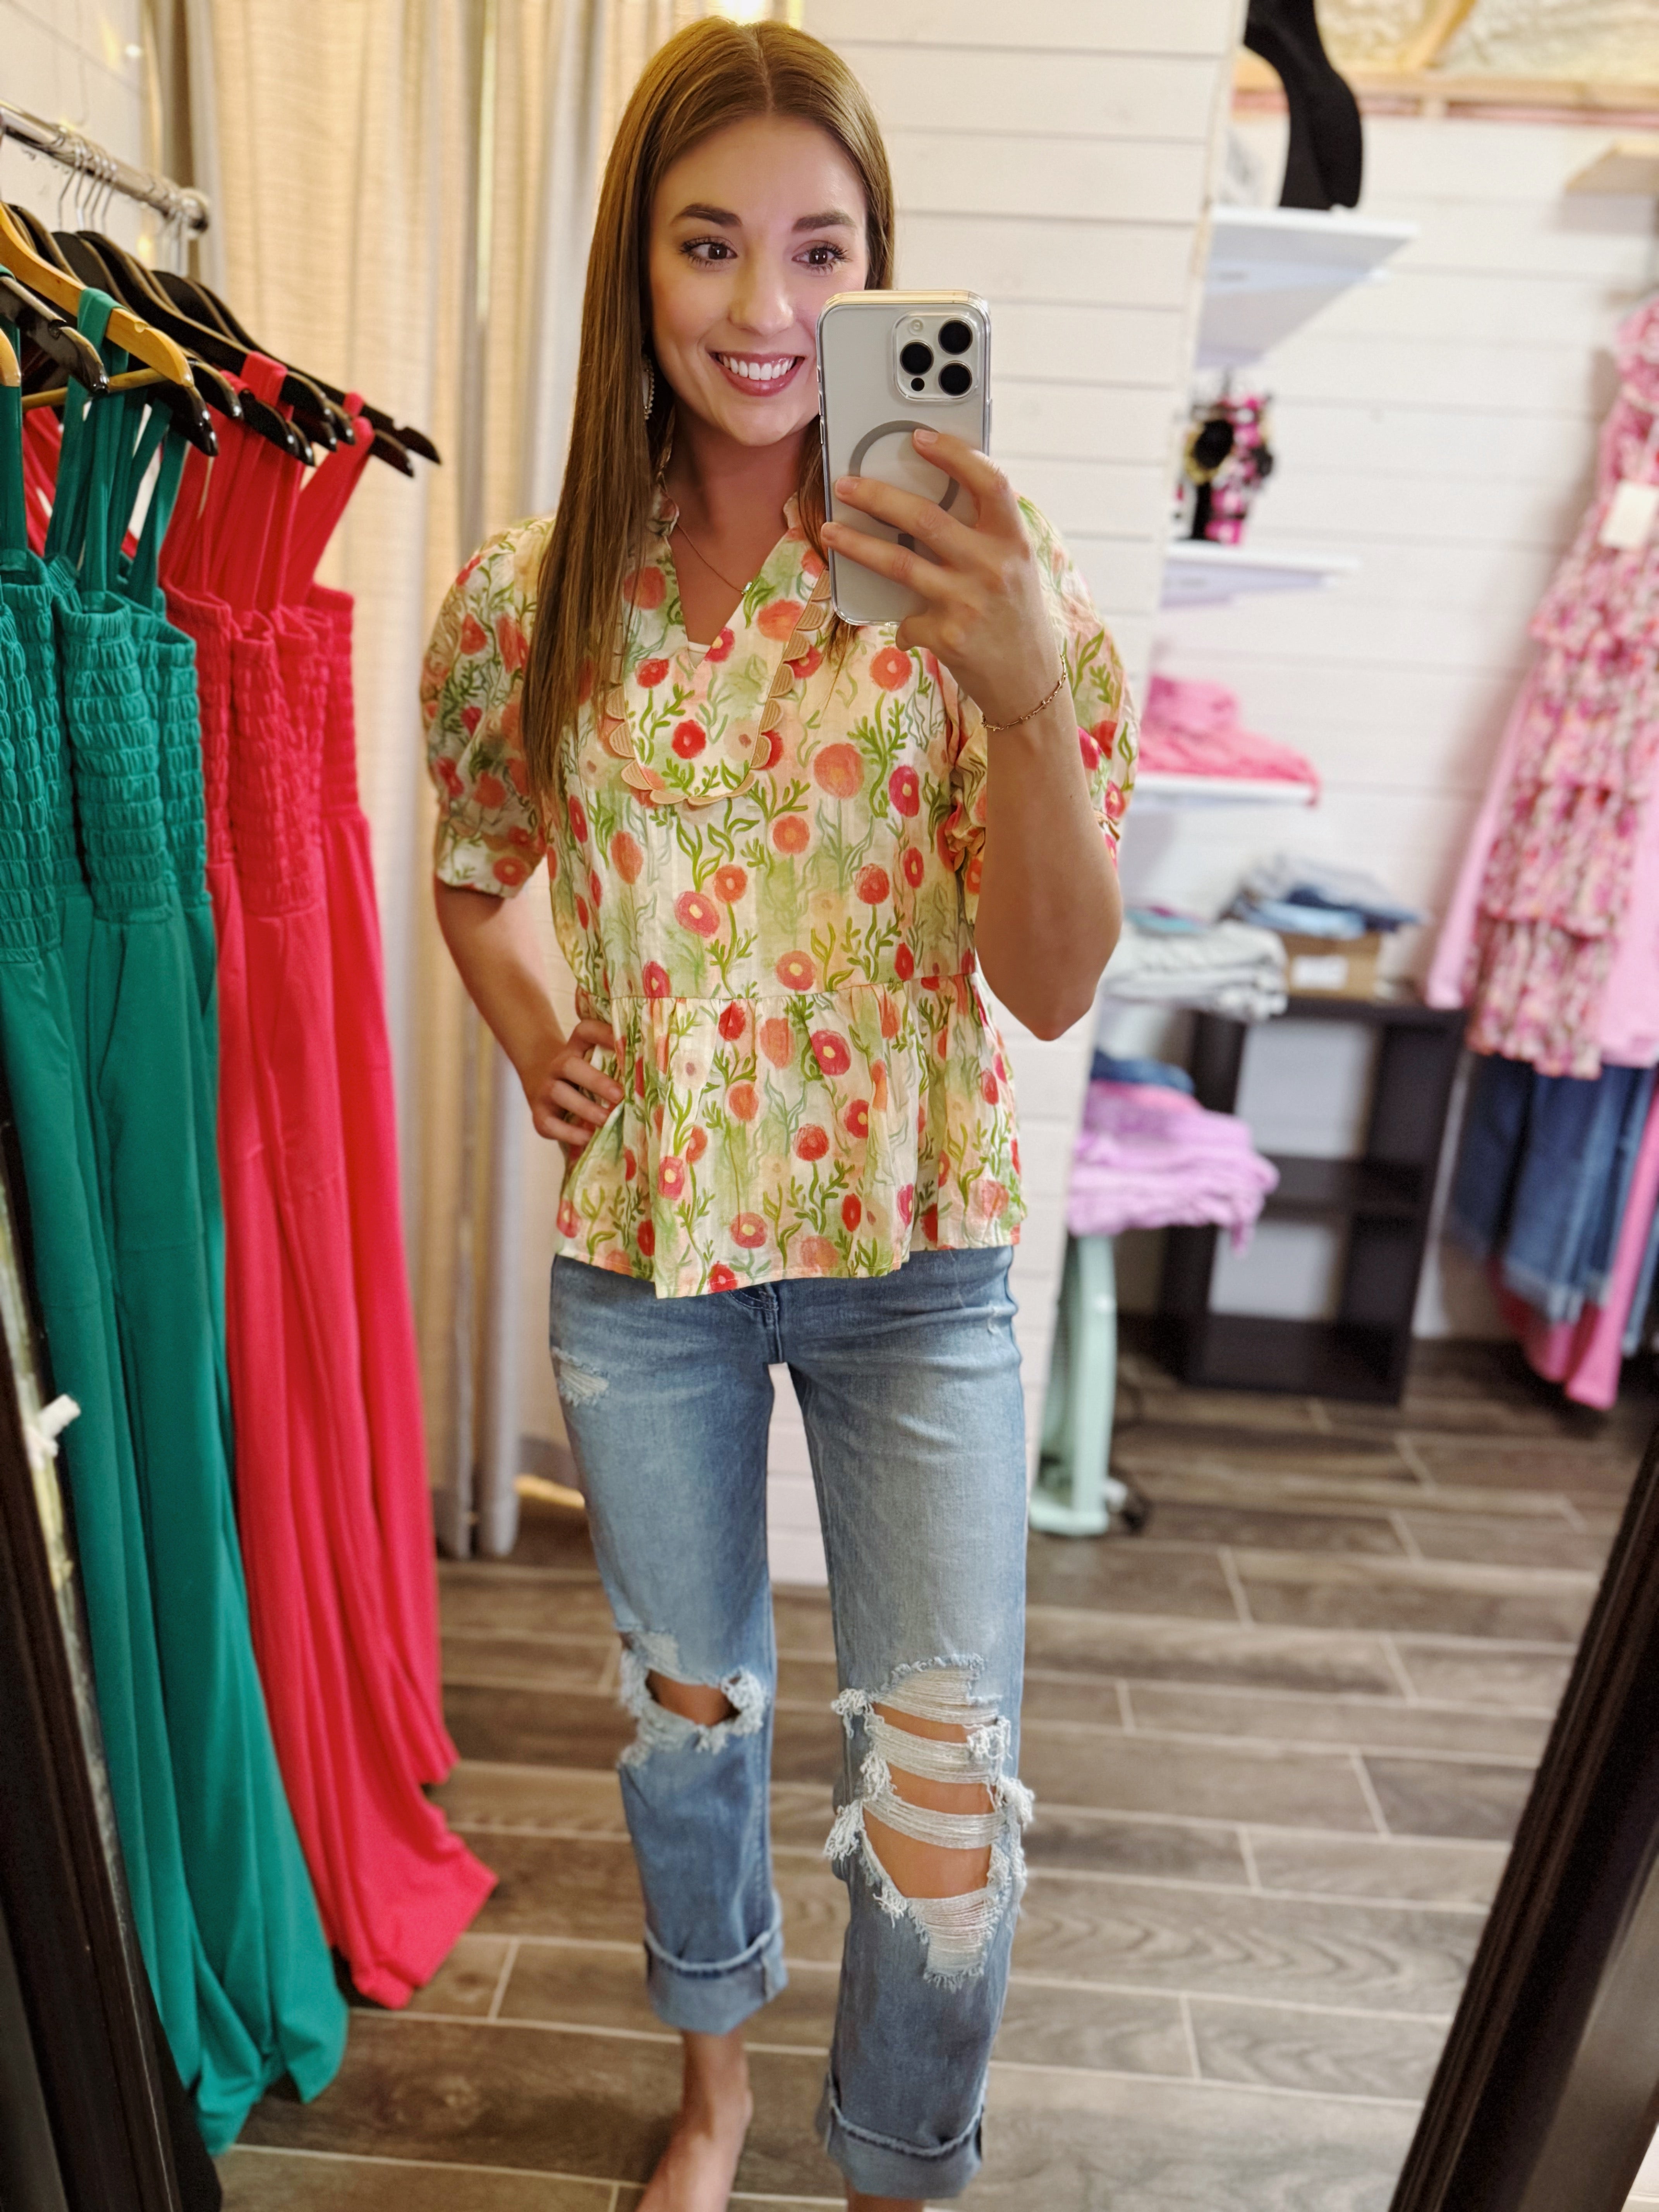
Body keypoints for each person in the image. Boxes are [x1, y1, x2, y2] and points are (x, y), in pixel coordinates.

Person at [421, 19, 1135, 2208]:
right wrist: (531, 1028)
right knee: (686, 1726)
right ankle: (714, 2096)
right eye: (709, 242)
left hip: (914, 1260)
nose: (764, 307)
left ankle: (897, 2165)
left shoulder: (987, 580)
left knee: (947, 1796)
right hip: (647, 1266)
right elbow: (473, 862)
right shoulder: (534, 595)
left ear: (883, 271)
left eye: (822, 250)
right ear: (637, 266)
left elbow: (1050, 981)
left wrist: (1023, 696)